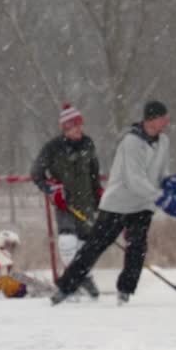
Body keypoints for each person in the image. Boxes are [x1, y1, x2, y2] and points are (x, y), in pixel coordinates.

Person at [50, 100, 176, 306]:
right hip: (118, 203)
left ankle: (125, 290)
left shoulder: (163, 141)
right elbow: (134, 180)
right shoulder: (131, 142)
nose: (166, 122)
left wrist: (170, 182)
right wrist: (161, 198)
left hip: (142, 204)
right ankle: (65, 287)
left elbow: (161, 170)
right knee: (95, 246)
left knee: (137, 247)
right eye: (163, 118)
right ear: (151, 119)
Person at [31, 102, 103, 298]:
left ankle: (84, 277)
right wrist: (52, 190)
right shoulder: (53, 147)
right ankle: (79, 280)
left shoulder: (88, 144)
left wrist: (99, 194)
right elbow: (37, 173)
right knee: (67, 240)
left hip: (86, 202)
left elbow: (94, 173)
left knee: (85, 244)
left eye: (81, 125)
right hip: (66, 204)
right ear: (66, 128)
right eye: (74, 126)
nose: (79, 129)